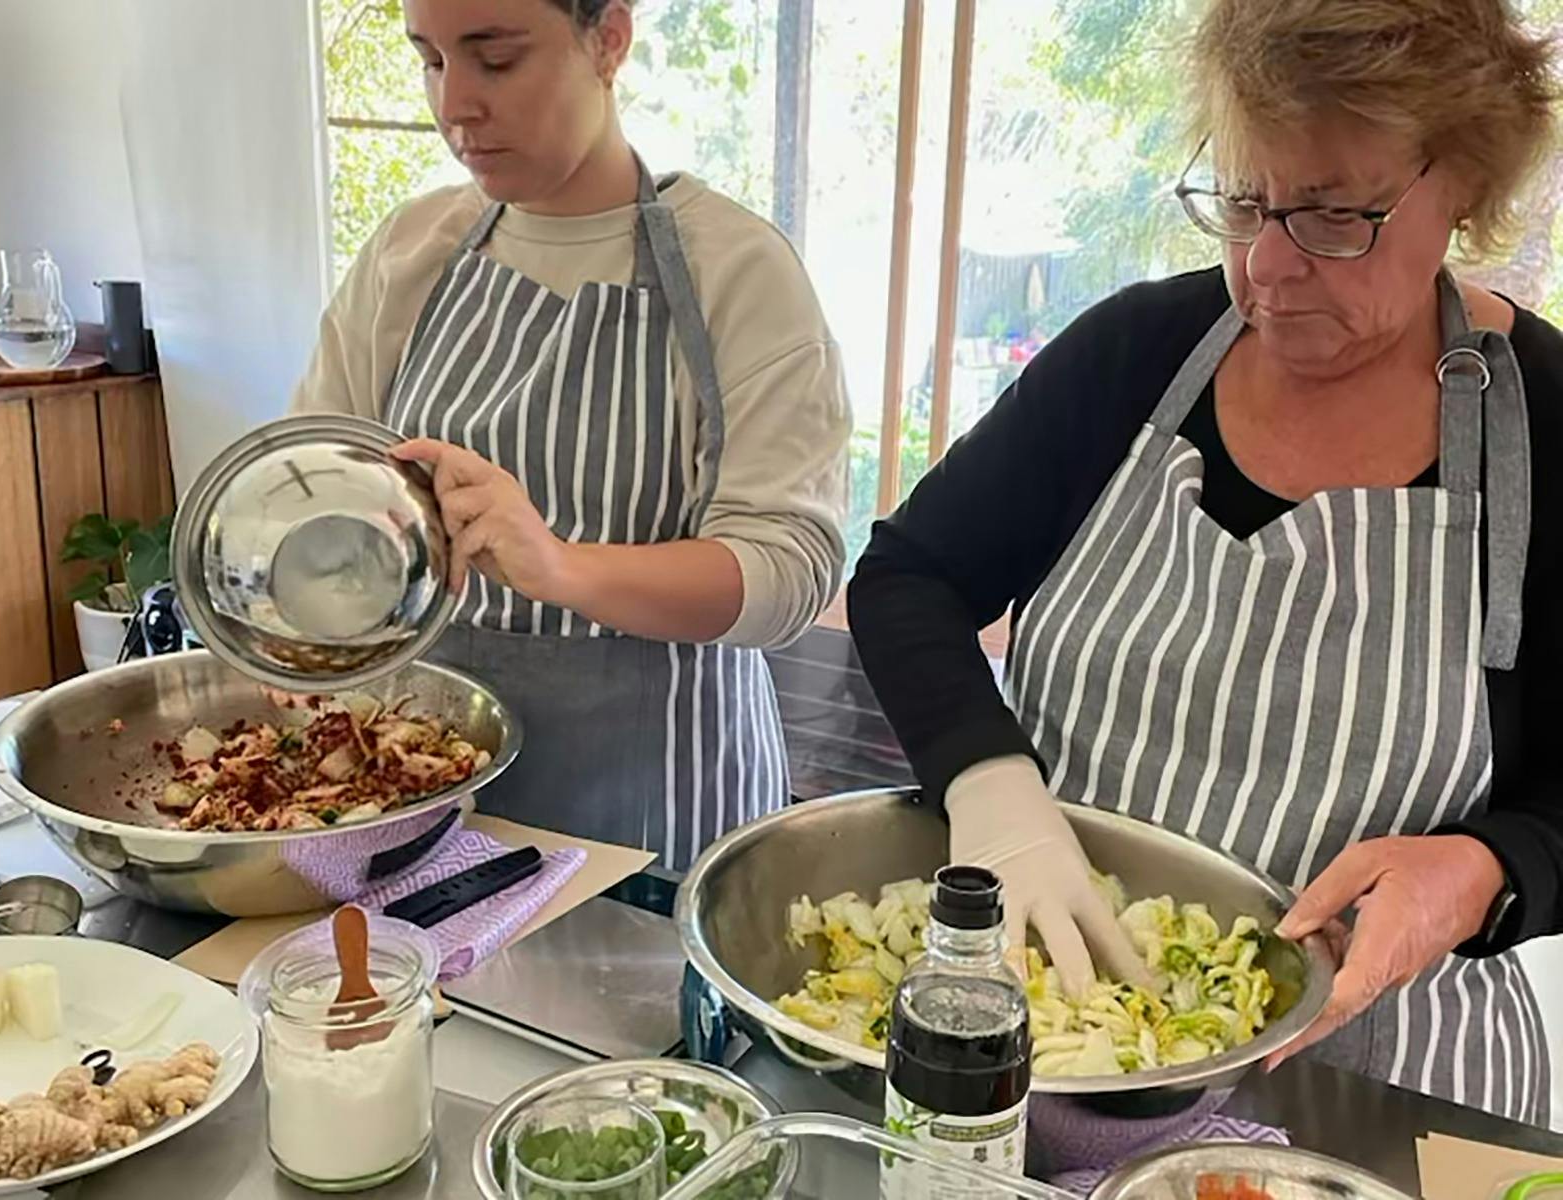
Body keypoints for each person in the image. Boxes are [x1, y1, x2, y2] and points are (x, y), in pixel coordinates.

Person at [849, 0, 1560, 1124]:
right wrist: (991, 790)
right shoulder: (1132, 355)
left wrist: (1490, 869)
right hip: (1065, 1039)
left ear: (1461, 181)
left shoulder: (1548, 428)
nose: (1267, 266)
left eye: (1334, 215)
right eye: (1242, 201)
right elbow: (907, 579)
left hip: (1377, 1084)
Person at [292, 0, 851, 869]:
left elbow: (788, 573)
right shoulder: (411, 252)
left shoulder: (736, 271)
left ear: (610, 39)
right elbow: (313, 481)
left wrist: (560, 567)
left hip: (662, 822)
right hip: (425, 797)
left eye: (496, 58)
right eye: (431, 61)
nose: (455, 105)